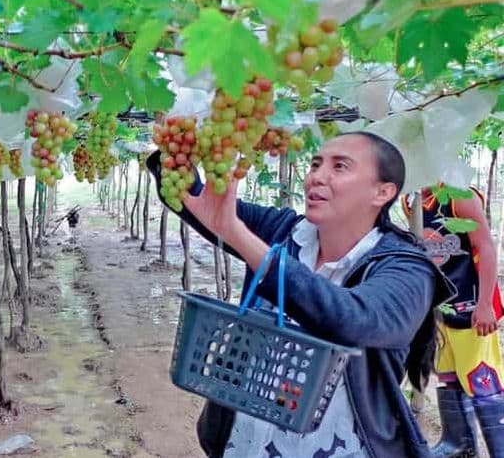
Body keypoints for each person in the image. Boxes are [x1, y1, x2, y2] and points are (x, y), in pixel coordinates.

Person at [146, 132, 455, 458]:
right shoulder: (283, 231)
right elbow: (199, 203)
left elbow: (355, 319)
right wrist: (174, 151)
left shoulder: (407, 268)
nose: (317, 177)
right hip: (247, 443)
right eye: (315, 164)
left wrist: (240, 236)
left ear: (383, 192)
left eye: (340, 167)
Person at [402, 186, 504, 457]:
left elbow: (484, 245)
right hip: (439, 309)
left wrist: (485, 305)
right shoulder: (411, 199)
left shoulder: (459, 196)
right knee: (448, 377)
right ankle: (459, 445)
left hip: (470, 306)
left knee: (482, 379)